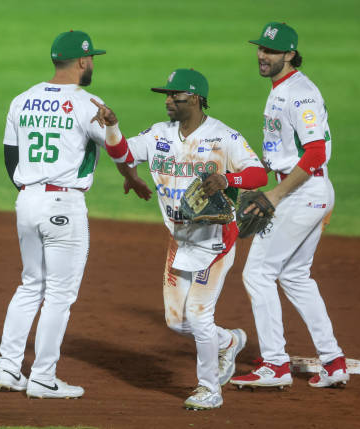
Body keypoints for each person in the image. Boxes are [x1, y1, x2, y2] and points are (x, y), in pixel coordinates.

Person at [90, 69, 268, 409]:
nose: (168, 100)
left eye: (176, 95)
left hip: (216, 238)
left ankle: (209, 389)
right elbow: (123, 155)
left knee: (199, 314)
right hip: (181, 238)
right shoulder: (160, 134)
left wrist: (229, 178)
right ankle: (228, 342)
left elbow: (259, 172)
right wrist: (112, 125)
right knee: (176, 321)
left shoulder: (223, 137)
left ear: (197, 99)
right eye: (167, 95)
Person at [0, 30, 151, 400]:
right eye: (91, 58)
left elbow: (10, 157)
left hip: (27, 200)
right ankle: (43, 377)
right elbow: (120, 152)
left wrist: (31, 194)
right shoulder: (88, 104)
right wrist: (115, 133)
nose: (92, 63)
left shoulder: (23, 100)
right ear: (82, 61)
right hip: (64, 204)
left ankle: (8, 368)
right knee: (60, 295)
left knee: (31, 285)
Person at [230, 22, 349, 389]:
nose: (263, 56)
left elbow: (314, 153)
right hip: (304, 190)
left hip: (302, 191)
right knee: (295, 276)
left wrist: (276, 196)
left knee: (257, 273)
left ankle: (275, 364)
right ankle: (333, 361)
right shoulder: (283, 88)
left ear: (290, 54)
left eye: (272, 51)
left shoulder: (300, 94)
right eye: (261, 49)